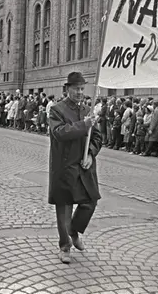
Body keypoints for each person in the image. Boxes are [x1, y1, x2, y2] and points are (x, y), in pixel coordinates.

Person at [48, 72, 102, 264]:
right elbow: (59, 132)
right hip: (65, 166)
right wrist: (83, 125)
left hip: (84, 166)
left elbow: (97, 137)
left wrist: (91, 154)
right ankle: (65, 246)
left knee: (91, 200)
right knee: (64, 207)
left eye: (82, 89)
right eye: (76, 89)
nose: (80, 92)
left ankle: (74, 229)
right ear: (67, 89)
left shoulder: (88, 110)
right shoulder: (57, 110)